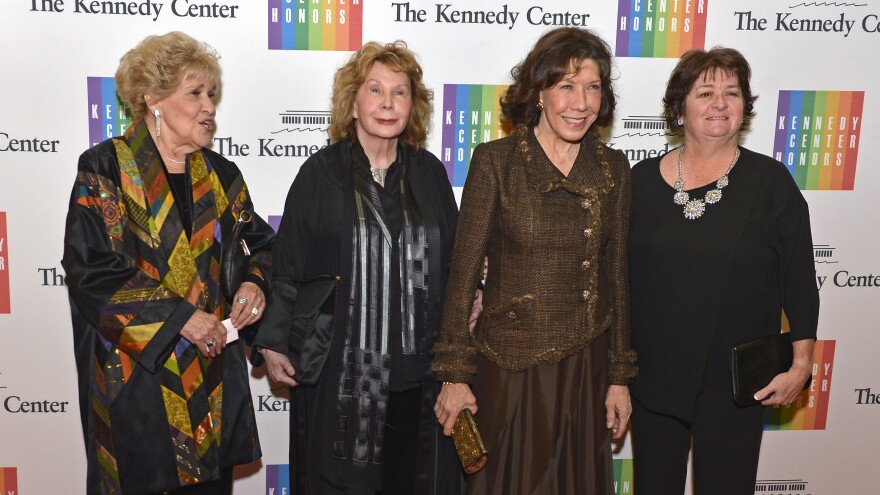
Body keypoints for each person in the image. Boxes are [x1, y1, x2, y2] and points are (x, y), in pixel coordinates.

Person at [62, 32, 274, 495]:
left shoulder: (221, 174)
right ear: (152, 99)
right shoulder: (104, 169)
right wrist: (182, 319)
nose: (209, 107)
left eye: (211, 94)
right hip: (138, 384)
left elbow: (261, 248)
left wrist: (255, 285)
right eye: (194, 93)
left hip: (212, 382)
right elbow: (90, 270)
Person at [432, 27, 637, 495]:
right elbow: (463, 277)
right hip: (508, 367)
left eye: (592, 87)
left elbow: (617, 277)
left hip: (586, 371)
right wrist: (455, 376)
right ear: (539, 92)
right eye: (565, 86)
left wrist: (620, 377)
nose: (580, 102)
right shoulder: (495, 162)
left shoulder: (614, 170)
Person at [252, 41, 462, 495]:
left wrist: (476, 292)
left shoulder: (429, 173)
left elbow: (457, 262)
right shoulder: (319, 174)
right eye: (375, 90)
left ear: (414, 105)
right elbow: (287, 265)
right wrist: (272, 344)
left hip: (420, 378)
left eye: (400, 92)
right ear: (352, 103)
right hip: (339, 376)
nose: (387, 103)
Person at [627, 47, 820, 495]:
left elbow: (799, 281)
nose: (719, 103)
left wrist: (802, 363)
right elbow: (615, 282)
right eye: (705, 92)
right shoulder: (637, 183)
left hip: (736, 385)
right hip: (653, 378)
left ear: (744, 109)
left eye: (731, 93)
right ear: (679, 109)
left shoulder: (771, 184)